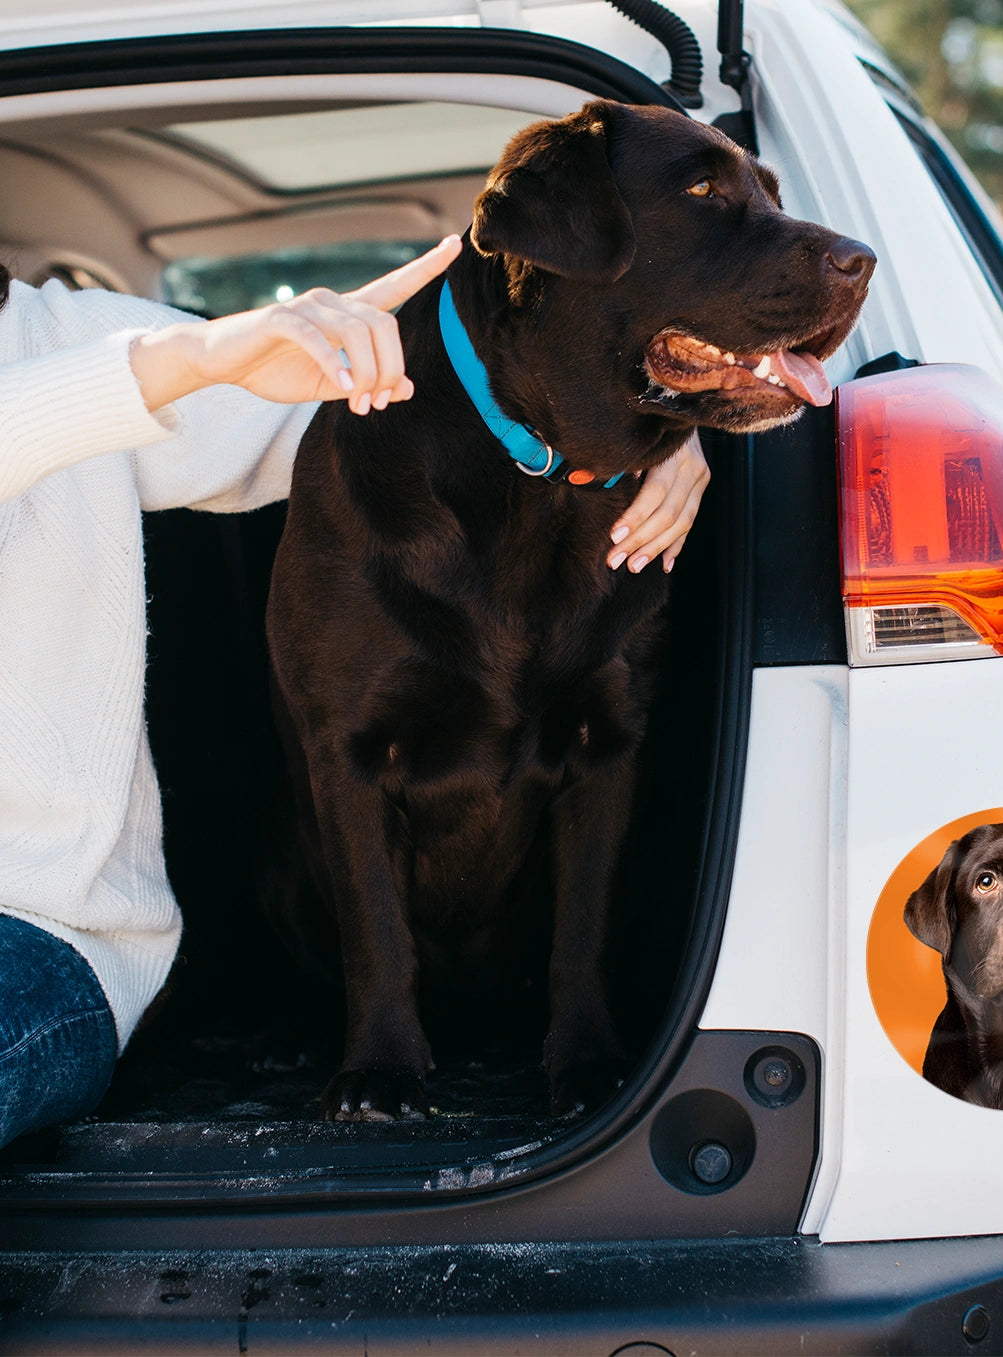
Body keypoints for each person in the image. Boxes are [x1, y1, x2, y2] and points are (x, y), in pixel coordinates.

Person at [0, 237, 711, 1148]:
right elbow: (187, 369)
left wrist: (656, 431)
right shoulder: (128, 359)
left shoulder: (68, 336)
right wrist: (188, 358)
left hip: (36, 929)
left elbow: (413, 409)